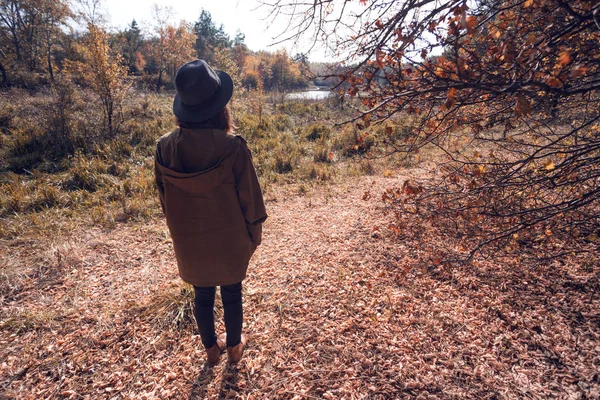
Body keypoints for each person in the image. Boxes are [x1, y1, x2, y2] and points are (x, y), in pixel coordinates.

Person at [154, 59, 267, 365]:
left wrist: (181, 232)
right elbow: (252, 202)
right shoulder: (233, 147)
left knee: (201, 295)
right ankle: (233, 349)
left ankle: (210, 351)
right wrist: (251, 239)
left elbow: (165, 200)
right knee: (232, 292)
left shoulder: (164, 147)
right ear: (220, 106)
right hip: (230, 239)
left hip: (189, 238)